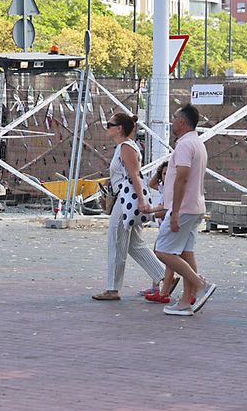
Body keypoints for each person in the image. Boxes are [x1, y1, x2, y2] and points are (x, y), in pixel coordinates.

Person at [92, 112, 165, 303]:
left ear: (119, 128)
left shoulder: (126, 147)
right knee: (134, 244)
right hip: (126, 197)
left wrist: (141, 199)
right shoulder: (122, 147)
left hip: (127, 198)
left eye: (110, 124)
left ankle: (113, 288)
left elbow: (134, 175)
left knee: (116, 241)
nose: (107, 127)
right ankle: (164, 276)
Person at [154, 104, 217, 317]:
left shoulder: (184, 146)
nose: (172, 121)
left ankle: (200, 284)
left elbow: (182, 178)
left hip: (184, 208)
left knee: (162, 250)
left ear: (181, 123)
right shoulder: (197, 143)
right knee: (185, 252)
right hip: (195, 206)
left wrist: (175, 211)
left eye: (174, 118)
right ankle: (184, 302)